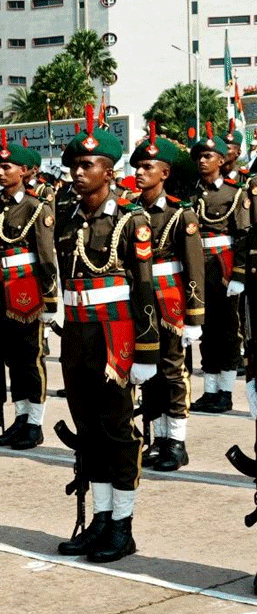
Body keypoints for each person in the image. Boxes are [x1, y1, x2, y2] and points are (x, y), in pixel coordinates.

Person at [55, 107, 159, 562]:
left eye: (87, 166)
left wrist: (147, 351)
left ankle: (122, 523)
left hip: (115, 337)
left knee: (118, 430)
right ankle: (99, 518)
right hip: (77, 336)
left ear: (109, 172)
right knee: (88, 428)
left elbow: (144, 289)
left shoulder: (131, 220)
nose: (77, 173)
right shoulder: (68, 217)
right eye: (74, 166)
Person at [0, 131, 59, 450]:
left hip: (27, 290)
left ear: (24, 171)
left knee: (30, 357)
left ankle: (35, 423)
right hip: (0, 289)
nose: (0, 172)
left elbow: (46, 257)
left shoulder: (36, 209)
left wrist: (50, 302)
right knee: (9, 356)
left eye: (7, 167)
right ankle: (20, 417)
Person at [130, 122, 204, 472]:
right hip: (139, 302)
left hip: (170, 300)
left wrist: (195, 316)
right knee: (149, 371)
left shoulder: (179, 214)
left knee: (172, 371)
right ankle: (158, 437)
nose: (139, 173)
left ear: (165, 173)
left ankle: (176, 441)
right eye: (137, 167)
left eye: (148, 167)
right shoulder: (130, 212)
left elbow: (194, 267)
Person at [189, 122, 250, 413]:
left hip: (223, 269)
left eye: (208, 157)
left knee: (227, 331)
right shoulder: (192, 194)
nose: (202, 161)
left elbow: (244, 236)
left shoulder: (234, 194)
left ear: (221, 160)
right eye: (199, 157)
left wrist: (239, 274)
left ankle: (225, 391)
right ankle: (210, 390)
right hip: (199, 268)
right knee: (206, 329)